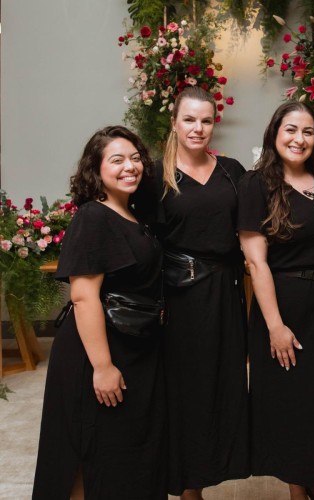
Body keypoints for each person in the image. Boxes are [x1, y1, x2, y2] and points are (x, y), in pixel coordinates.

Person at [32, 126, 168, 499]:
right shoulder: (93, 216)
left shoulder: (133, 214)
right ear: (96, 168)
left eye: (135, 158)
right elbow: (83, 297)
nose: (130, 167)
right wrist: (103, 367)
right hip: (97, 353)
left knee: (120, 454)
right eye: (117, 160)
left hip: (132, 347)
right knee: (90, 453)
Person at [238, 101, 314, 500]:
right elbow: (256, 263)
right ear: (275, 134)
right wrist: (275, 325)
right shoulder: (256, 184)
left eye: (308, 131)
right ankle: (298, 488)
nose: (299, 139)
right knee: (292, 400)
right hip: (285, 302)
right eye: (290, 130)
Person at [155, 86, 249, 499]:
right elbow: (144, 243)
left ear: (215, 124)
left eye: (206, 120)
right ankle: (189, 487)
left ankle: (219, 466)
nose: (198, 128)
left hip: (227, 293)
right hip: (179, 298)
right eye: (189, 119)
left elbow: (252, 229)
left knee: (224, 385)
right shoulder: (154, 175)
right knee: (186, 391)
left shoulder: (232, 171)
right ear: (174, 122)